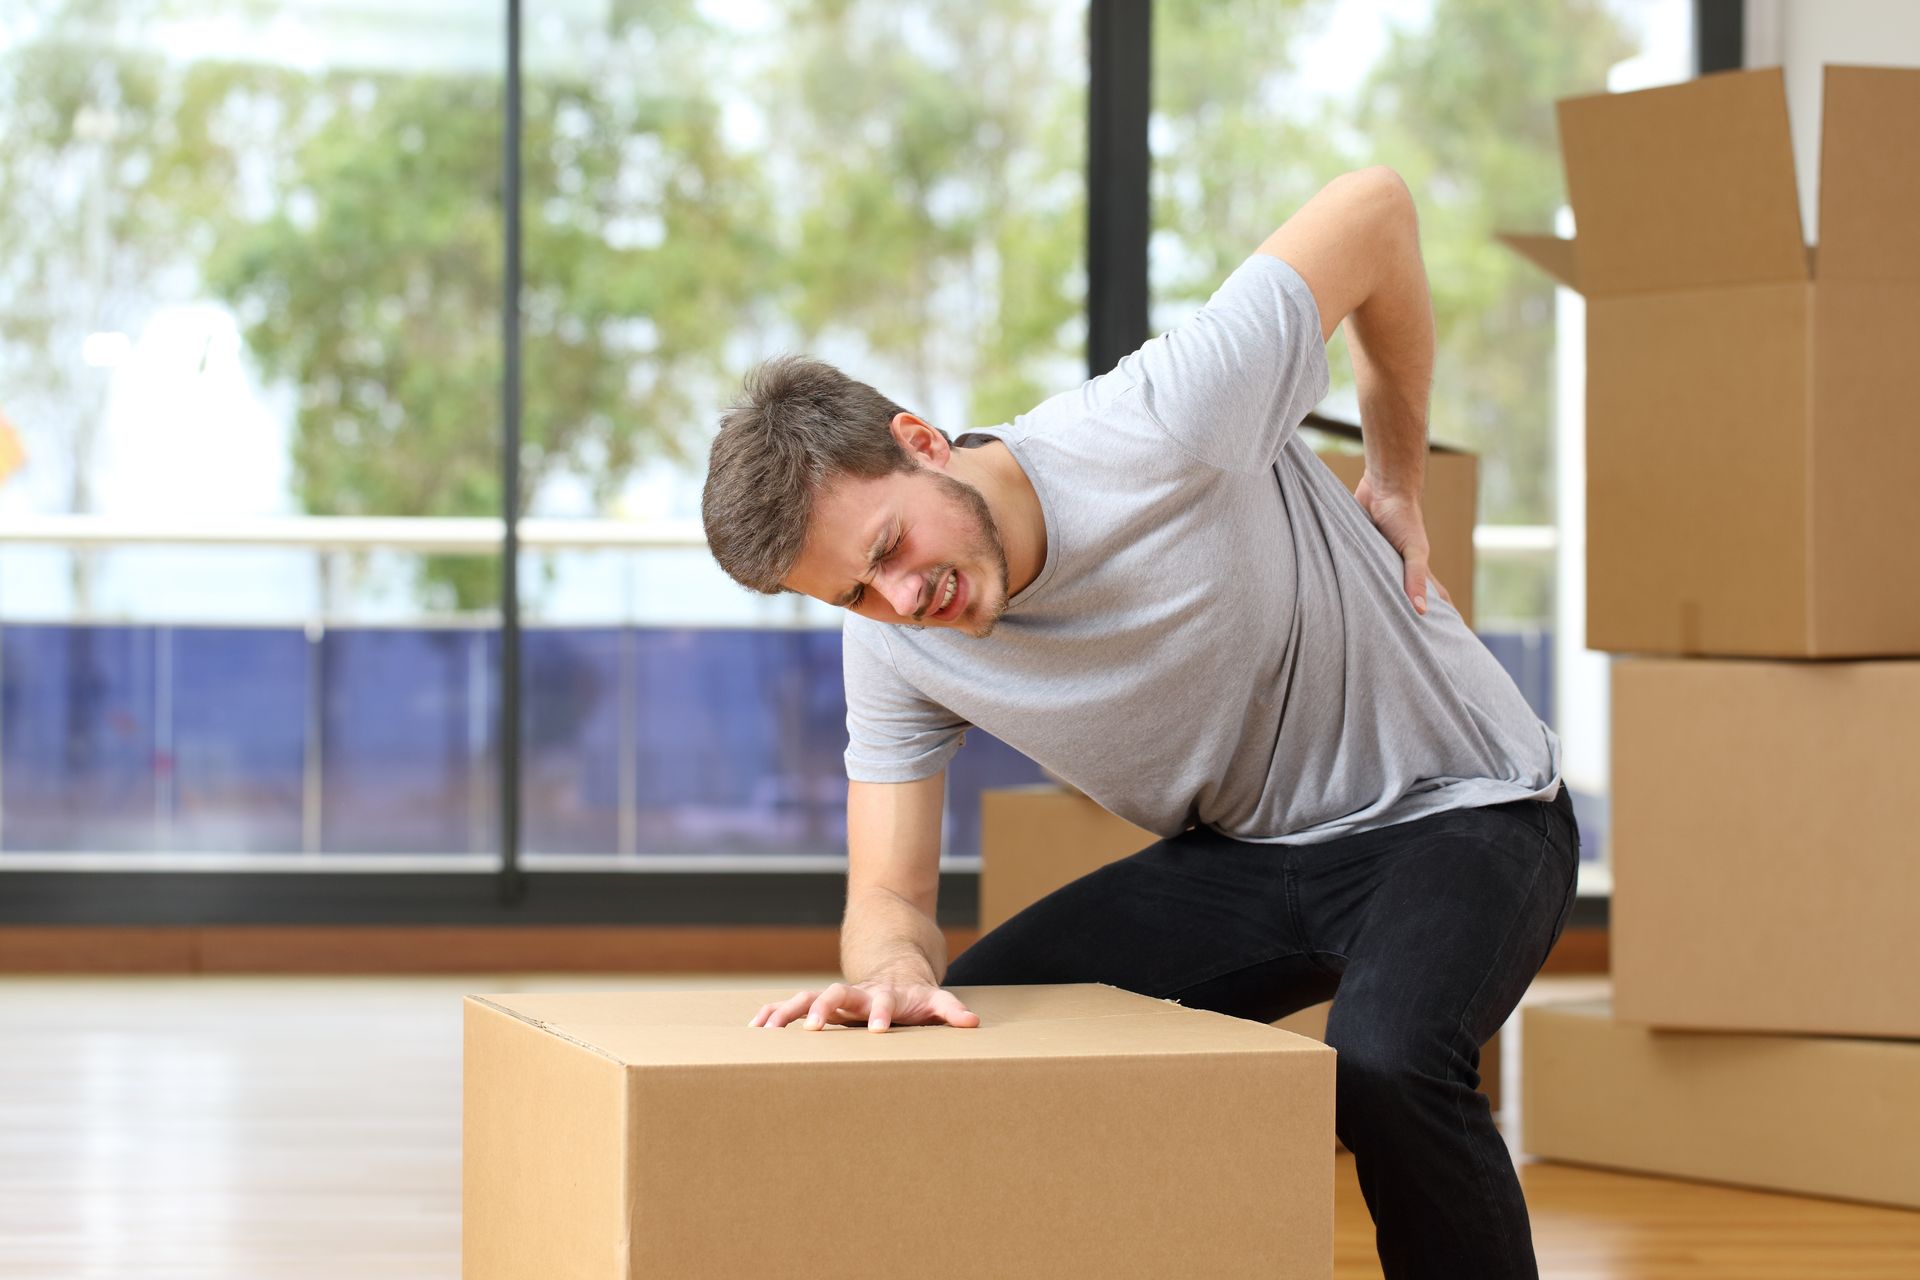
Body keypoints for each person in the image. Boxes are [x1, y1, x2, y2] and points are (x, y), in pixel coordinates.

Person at [699, 166, 1577, 1280]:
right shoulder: (893, 642)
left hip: (1468, 807)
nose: (903, 601)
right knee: (979, 1031)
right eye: (855, 595)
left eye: (888, 552)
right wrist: (893, 976)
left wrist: (1396, 475)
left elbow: (1379, 210)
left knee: (1386, 1060)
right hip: (1253, 856)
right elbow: (888, 896)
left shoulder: (1164, 419)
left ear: (921, 441)